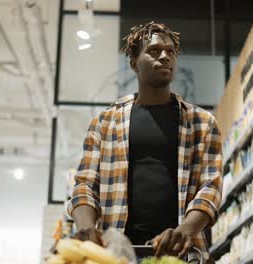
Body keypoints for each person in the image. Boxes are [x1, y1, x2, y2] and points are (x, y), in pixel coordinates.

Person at [67, 21, 222, 259]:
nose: (164, 56)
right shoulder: (105, 123)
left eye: (170, 52)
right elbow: (85, 185)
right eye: (154, 51)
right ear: (134, 64)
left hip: (179, 254)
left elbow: (210, 187)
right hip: (115, 254)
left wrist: (185, 231)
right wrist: (87, 229)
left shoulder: (202, 123)